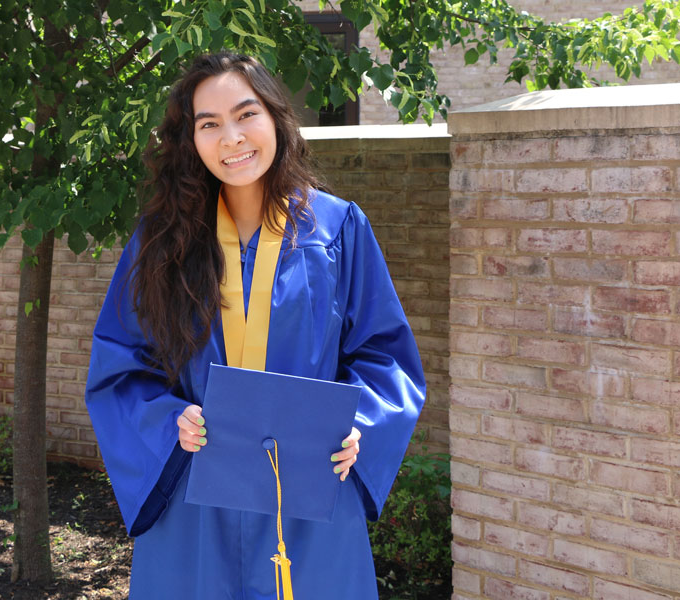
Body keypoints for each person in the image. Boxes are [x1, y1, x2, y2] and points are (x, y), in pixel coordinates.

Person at [84, 51, 426, 599]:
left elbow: (385, 355)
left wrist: (360, 424)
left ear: (275, 118)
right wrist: (168, 420)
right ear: (190, 140)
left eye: (246, 115)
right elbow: (121, 366)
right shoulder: (161, 239)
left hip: (310, 486)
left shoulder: (338, 229)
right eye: (209, 124)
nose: (231, 138)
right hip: (194, 490)